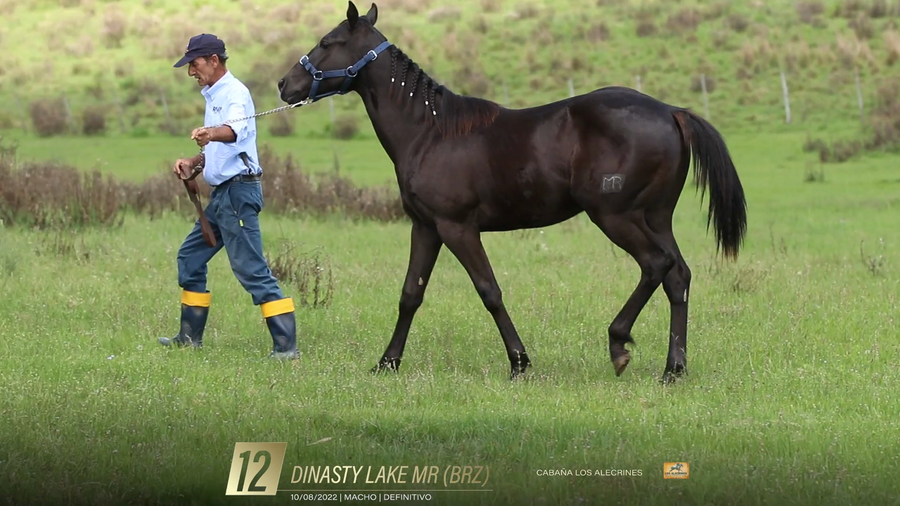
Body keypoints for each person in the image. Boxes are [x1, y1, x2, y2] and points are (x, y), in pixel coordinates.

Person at [157, 33, 298, 360]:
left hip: (239, 194)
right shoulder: (214, 95)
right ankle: (189, 339)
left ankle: (287, 348)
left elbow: (236, 132)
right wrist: (194, 161)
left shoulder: (234, 93)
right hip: (223, 196)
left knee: (251, 270)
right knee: (189, 259)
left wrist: (210, 133)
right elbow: (222, 150)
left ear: (213, 60)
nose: (191, 71)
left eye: (194, 64)